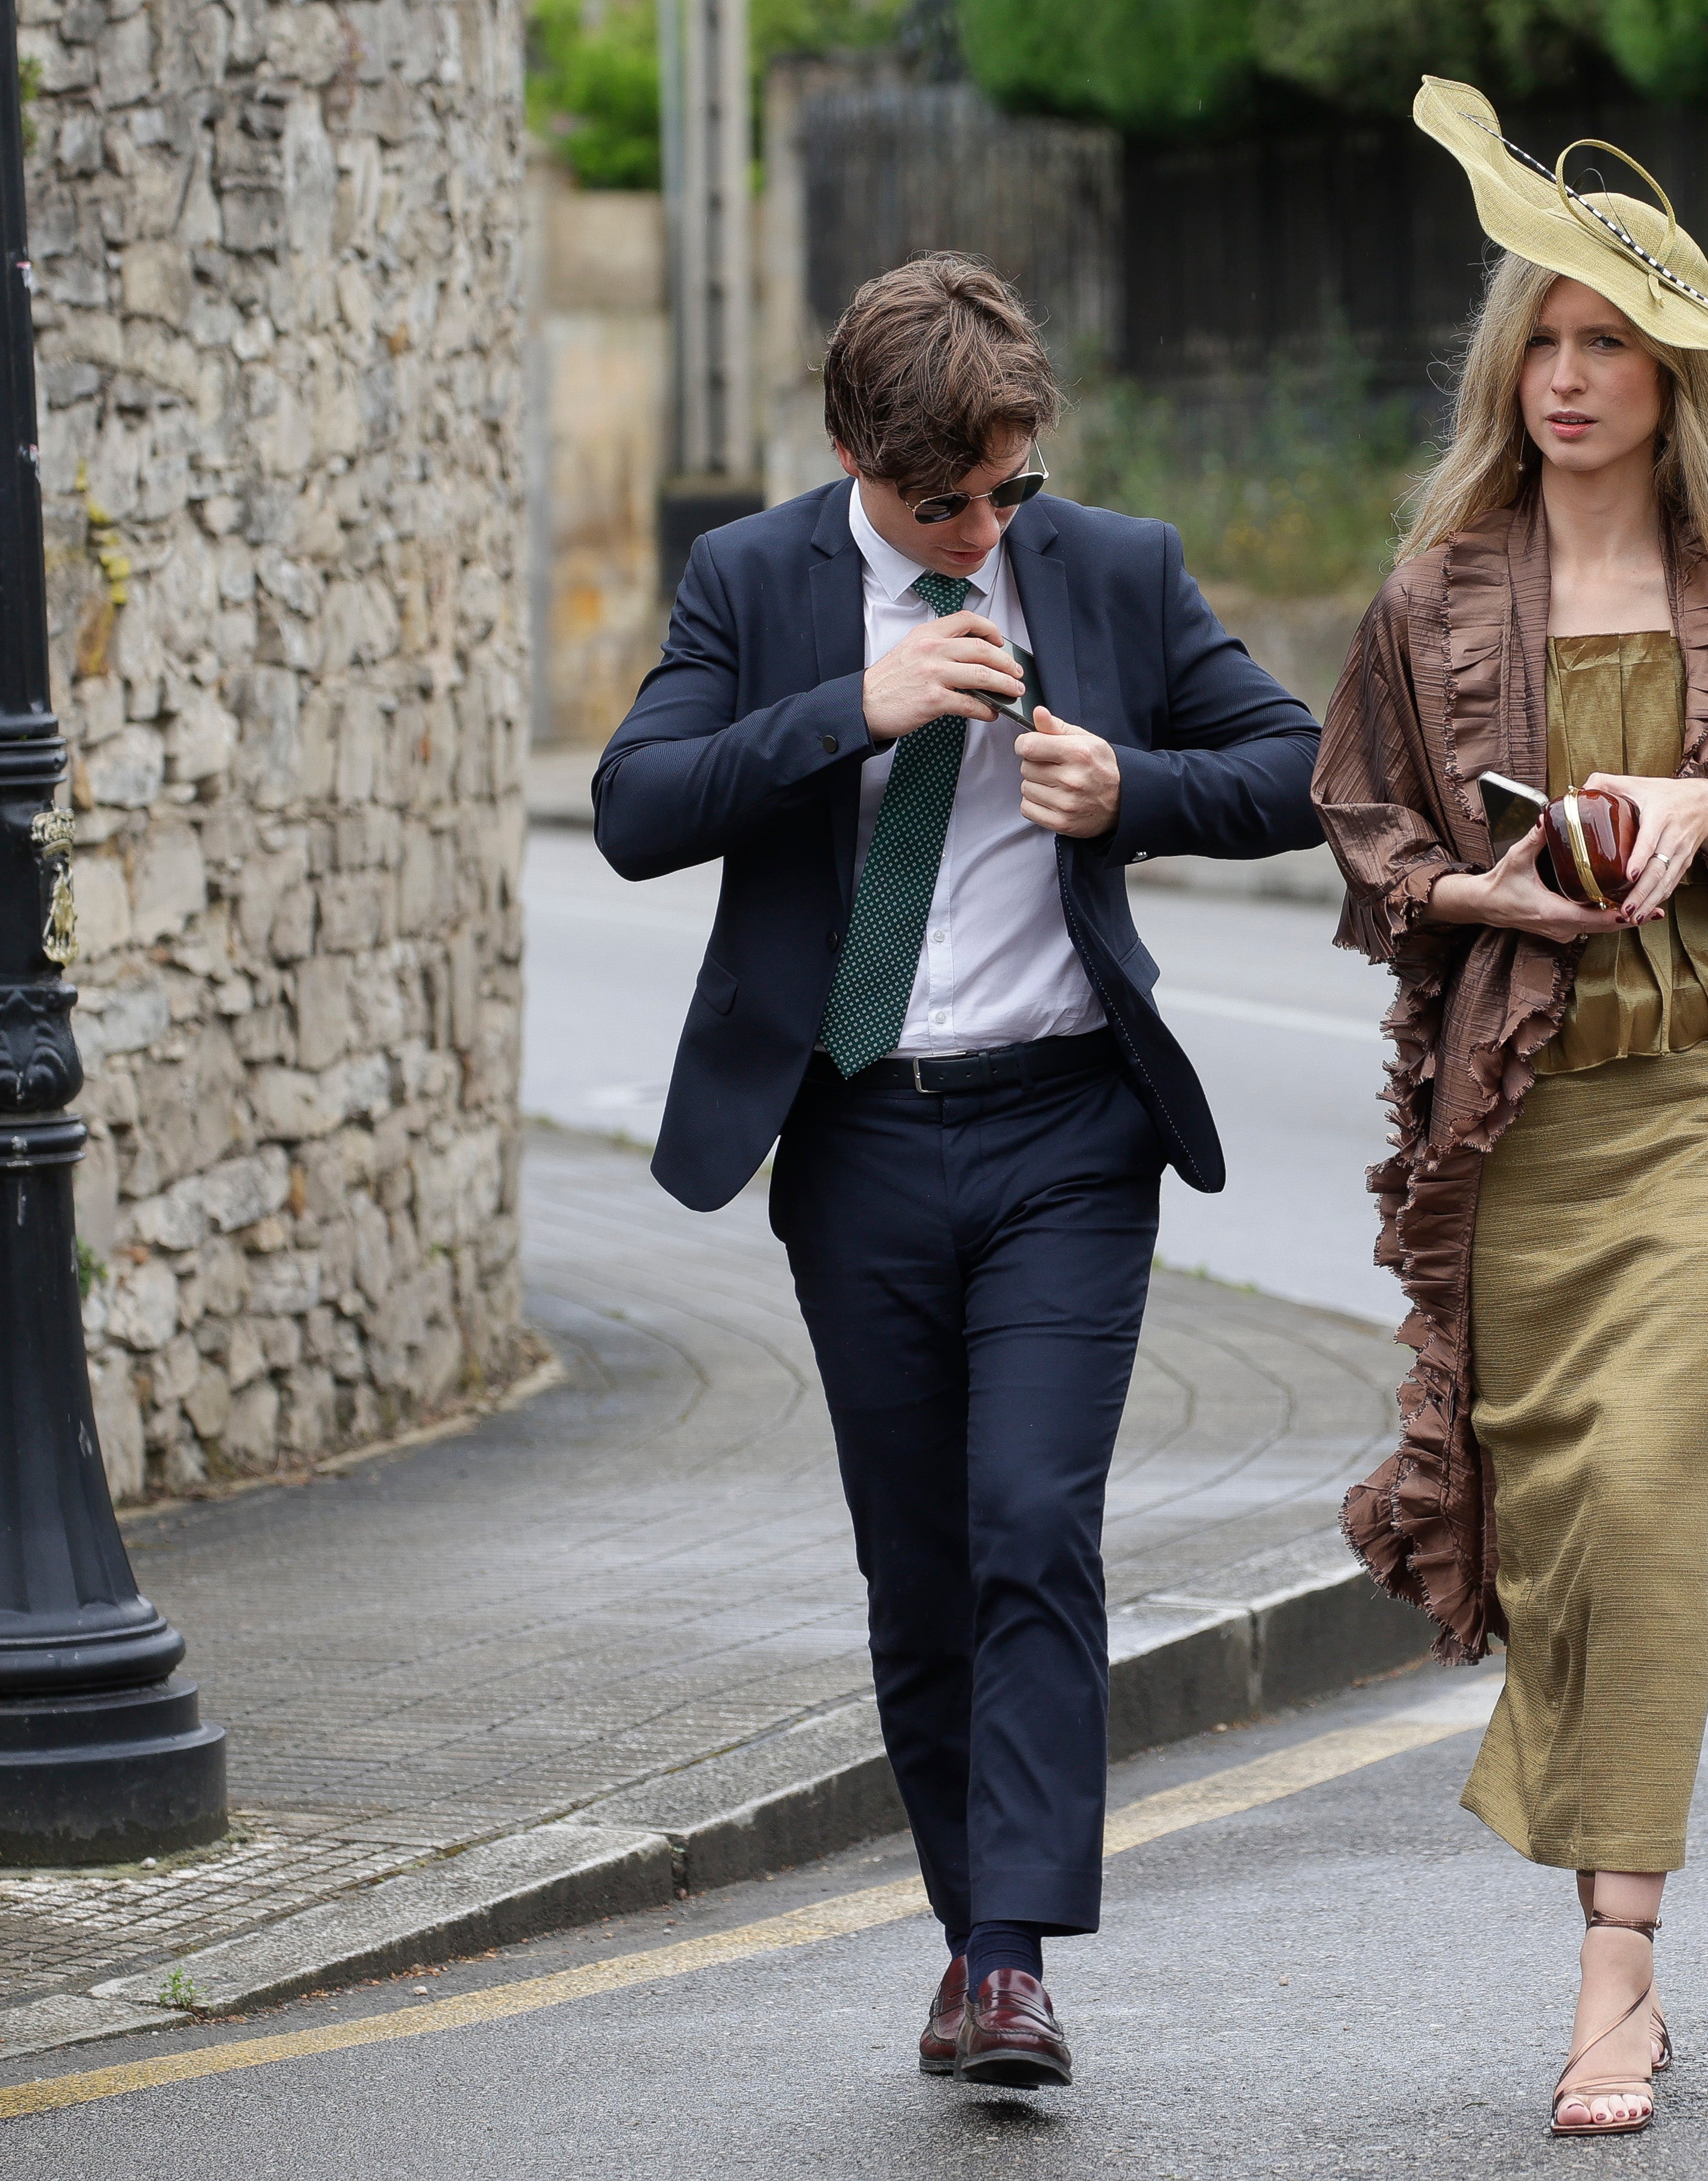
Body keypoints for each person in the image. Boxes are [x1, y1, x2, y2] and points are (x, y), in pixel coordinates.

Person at [592, 252, 1323, 2091]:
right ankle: (962, 1931)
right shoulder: (755, 582)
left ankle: (1012, 1967)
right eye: (952, 502)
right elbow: (633, 810)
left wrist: (1132, 789)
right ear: (857, 451)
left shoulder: (1112, 567)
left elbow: (1301, 764)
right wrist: (864, 702)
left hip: (1070, 1129)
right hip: (851, 1138)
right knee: (921, 1575)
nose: (990, 526)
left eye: (1010, 488)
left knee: (1030, 1529)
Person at [1311, 81, 1708, 2139]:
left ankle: (1614, 1975)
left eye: (1607, 345)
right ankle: (1602, 1839)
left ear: (1674, 381)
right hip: (1525, 1127)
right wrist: (1499, 884)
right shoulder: (1434, 597)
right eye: (1539, 343)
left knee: (1641, 1497)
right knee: (1559, 1536)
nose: (1565, 378)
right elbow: (1367, 841)